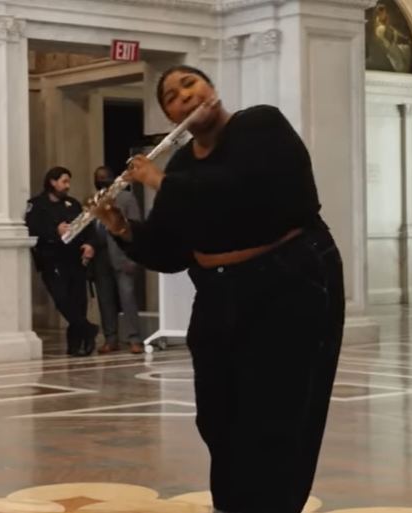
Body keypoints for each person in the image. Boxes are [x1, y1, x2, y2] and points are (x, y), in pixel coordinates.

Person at [92, 65, 346, 513]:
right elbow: (171, 251)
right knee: (216, 416)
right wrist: (122, 228)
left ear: (210, 88)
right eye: (172, 96)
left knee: (275, 416)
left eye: (189, 84)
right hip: (219, 296)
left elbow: (239, 191)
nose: (184, 97)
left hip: (286, 287)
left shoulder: (260, 125)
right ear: (169, 115)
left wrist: (159, 181)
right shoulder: (184, 162)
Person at [25, 166, 98, 357]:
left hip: (74, 259)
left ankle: (77, 344)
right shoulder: (36, 205)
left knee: (78, 301)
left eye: (69, 182)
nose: (67, 186)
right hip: (51, 260)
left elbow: (87, 227)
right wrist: (55, 232)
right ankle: (87, 328)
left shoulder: (72, 204)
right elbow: (32, 231)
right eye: (64, 181)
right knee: (62, 299)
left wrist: (90, 244)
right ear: (53, 182)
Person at [89, 166, 145, 355]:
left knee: (127, 297)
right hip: (99, 256)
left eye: (104, 178)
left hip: (122, 255)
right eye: (98, 178)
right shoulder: (93, 200)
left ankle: (135, 339)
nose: (101, 181)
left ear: (113, 179)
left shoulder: (126, 198)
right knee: (105, 300)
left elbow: (136, 227)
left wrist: (133, 254)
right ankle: (110, 339)